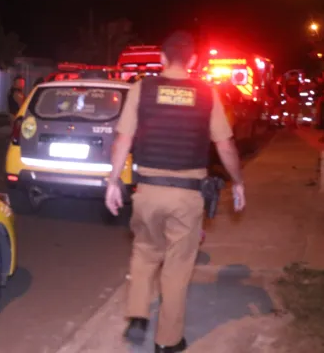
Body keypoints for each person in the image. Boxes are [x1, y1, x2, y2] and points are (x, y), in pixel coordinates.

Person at [104, 31, 246, 353]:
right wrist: (238, 182)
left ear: (162, 59)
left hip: (147, 191)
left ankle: (138, 314)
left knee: (144, 251)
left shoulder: (142, 89)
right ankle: (167, 342)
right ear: (193, 61)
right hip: (187, 195)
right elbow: (224, 144)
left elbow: (123, 140)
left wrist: (113, 182)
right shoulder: (208, 92)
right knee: (177, 268)